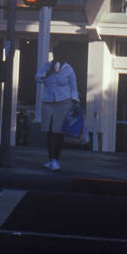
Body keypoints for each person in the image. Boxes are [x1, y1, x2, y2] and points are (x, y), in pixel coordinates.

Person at [36, 43, 79, 171]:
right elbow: (37, 78)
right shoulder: (47, 66)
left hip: (63, 102)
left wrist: (74, 101)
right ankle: (50, 159)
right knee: (49, 131)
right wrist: (49, 73)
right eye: (55, 54)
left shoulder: (68, 69)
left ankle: (56, 160)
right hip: (48, 101)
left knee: (58, 132)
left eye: (60, 55)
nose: (57, 57)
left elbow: (73, 87)